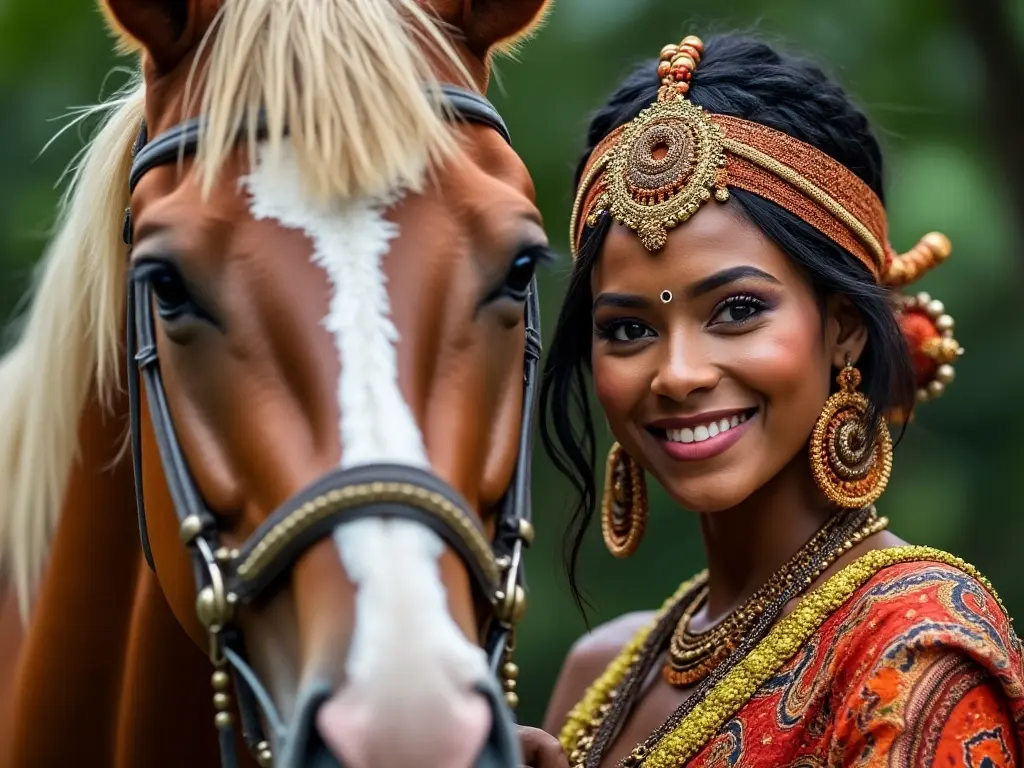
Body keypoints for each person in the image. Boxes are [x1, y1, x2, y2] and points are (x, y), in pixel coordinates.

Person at [523, 32, 1024, 768]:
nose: (678, 373)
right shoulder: (599, 673)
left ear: (844, 329)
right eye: (628, 328)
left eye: (736, 311)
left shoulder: (913, 650)